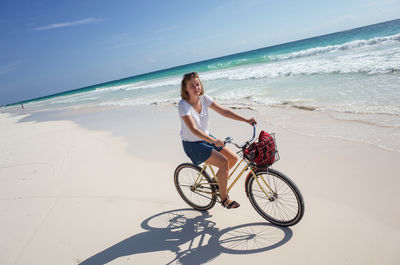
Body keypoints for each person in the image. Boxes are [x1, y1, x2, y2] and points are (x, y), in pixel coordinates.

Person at [178, 72, 257, 209]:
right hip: (193, 144)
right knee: (223, 162)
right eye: (192, 86)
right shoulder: (183, 105)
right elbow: (194, 129)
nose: (196, 88)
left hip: (207, 138)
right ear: (185, 89)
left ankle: (217, 183)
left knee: (232, 159)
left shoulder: (204, 98)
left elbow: (224, 111)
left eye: (197, 84)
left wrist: (246, 120)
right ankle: (225, 199)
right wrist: (212, 141)